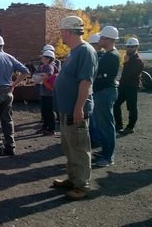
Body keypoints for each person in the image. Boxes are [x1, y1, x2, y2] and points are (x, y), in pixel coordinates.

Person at [52, 16, 98, 200]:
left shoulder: (85, 51)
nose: (61, 35)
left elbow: (85, 82)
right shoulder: (74, 52)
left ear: (69, 32)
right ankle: (72, 179)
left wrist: (79, 108)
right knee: (69, 147)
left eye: (62, 31)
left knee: (79, 148)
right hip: (66, 109)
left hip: (75, 110)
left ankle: (82, 185)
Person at [0, 34, 30, 156]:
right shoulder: (10, 58)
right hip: (8, 91)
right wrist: (14, 84)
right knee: (7, 119)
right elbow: (25, 71)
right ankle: (10, 146)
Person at [92, 26, 120, 167]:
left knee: (106, 125)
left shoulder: (111, 56)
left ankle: (108, 156)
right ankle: (105, 151)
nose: (100, 40)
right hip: (103, 92)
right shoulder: (109, 55)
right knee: (103, 124)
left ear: (108, 40)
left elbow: (97, 73)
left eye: (102, 38)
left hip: (105, 92)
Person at [114, 37, 144, 135]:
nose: (130, 48)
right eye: (128, 46)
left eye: (132, 47)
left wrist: (126, 62)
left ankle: (130, 127)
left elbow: (129, 74)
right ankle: (119, 125)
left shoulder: (138, 61)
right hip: (123, 86)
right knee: (116, 104)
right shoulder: (128, 57)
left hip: (131, 87)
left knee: (131, 107)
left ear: (136, 47)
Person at [33, 50, 56, 136]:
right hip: (44, 92)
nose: (42, 59)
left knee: (49, 111)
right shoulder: (42, 66)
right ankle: (45, 127)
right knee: (45, 111)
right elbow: (35, 75)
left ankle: (51, 128)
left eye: (43, 57)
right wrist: (40, 76)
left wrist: (40, 76)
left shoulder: (50, 66)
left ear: (48, 59)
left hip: (49, 93)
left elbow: (48, 75)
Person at [87, 33, 104, 148]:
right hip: (95, 89)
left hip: (97, 90)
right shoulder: (98, 55)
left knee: (95, 117)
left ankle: (96, 139)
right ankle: (94, 138)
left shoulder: (99, 57)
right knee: (93, 117)